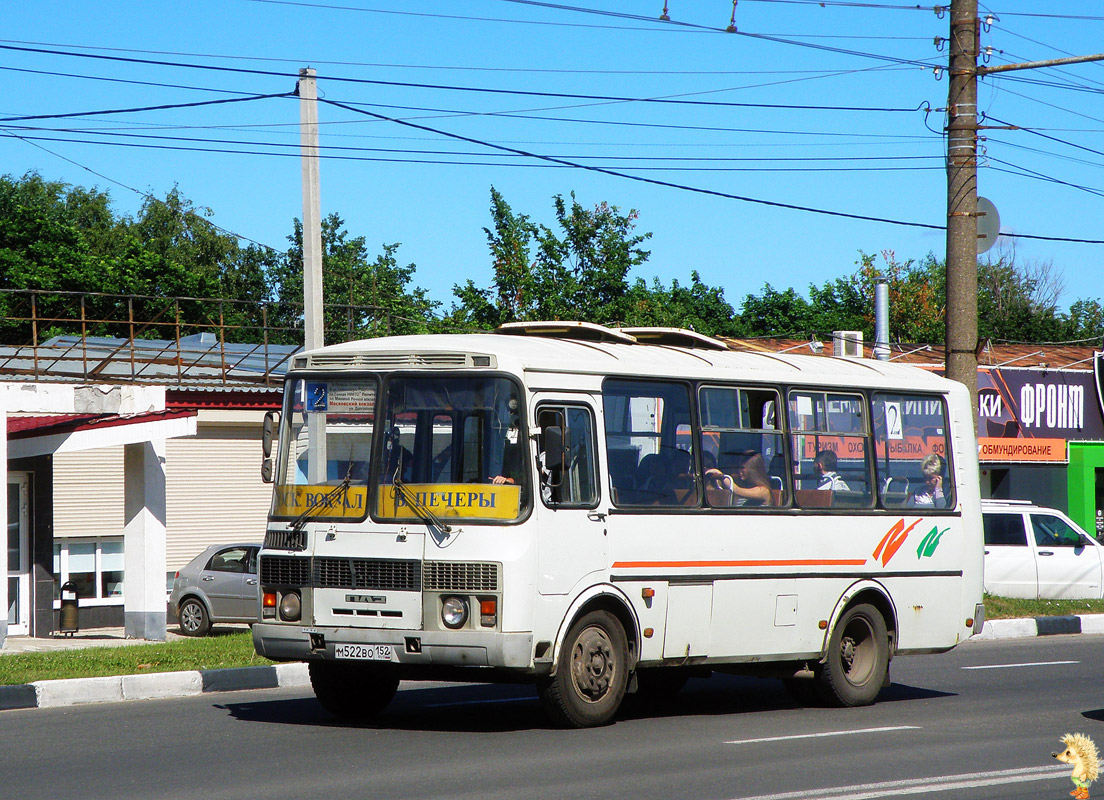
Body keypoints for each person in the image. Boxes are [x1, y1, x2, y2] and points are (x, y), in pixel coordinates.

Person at [706, 451, 772, 507]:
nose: (739, 470)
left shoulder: (763, 491)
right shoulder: (745, 485)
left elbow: (737, 490)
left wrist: (721, 475)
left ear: (753, 470)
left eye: (743, 468)